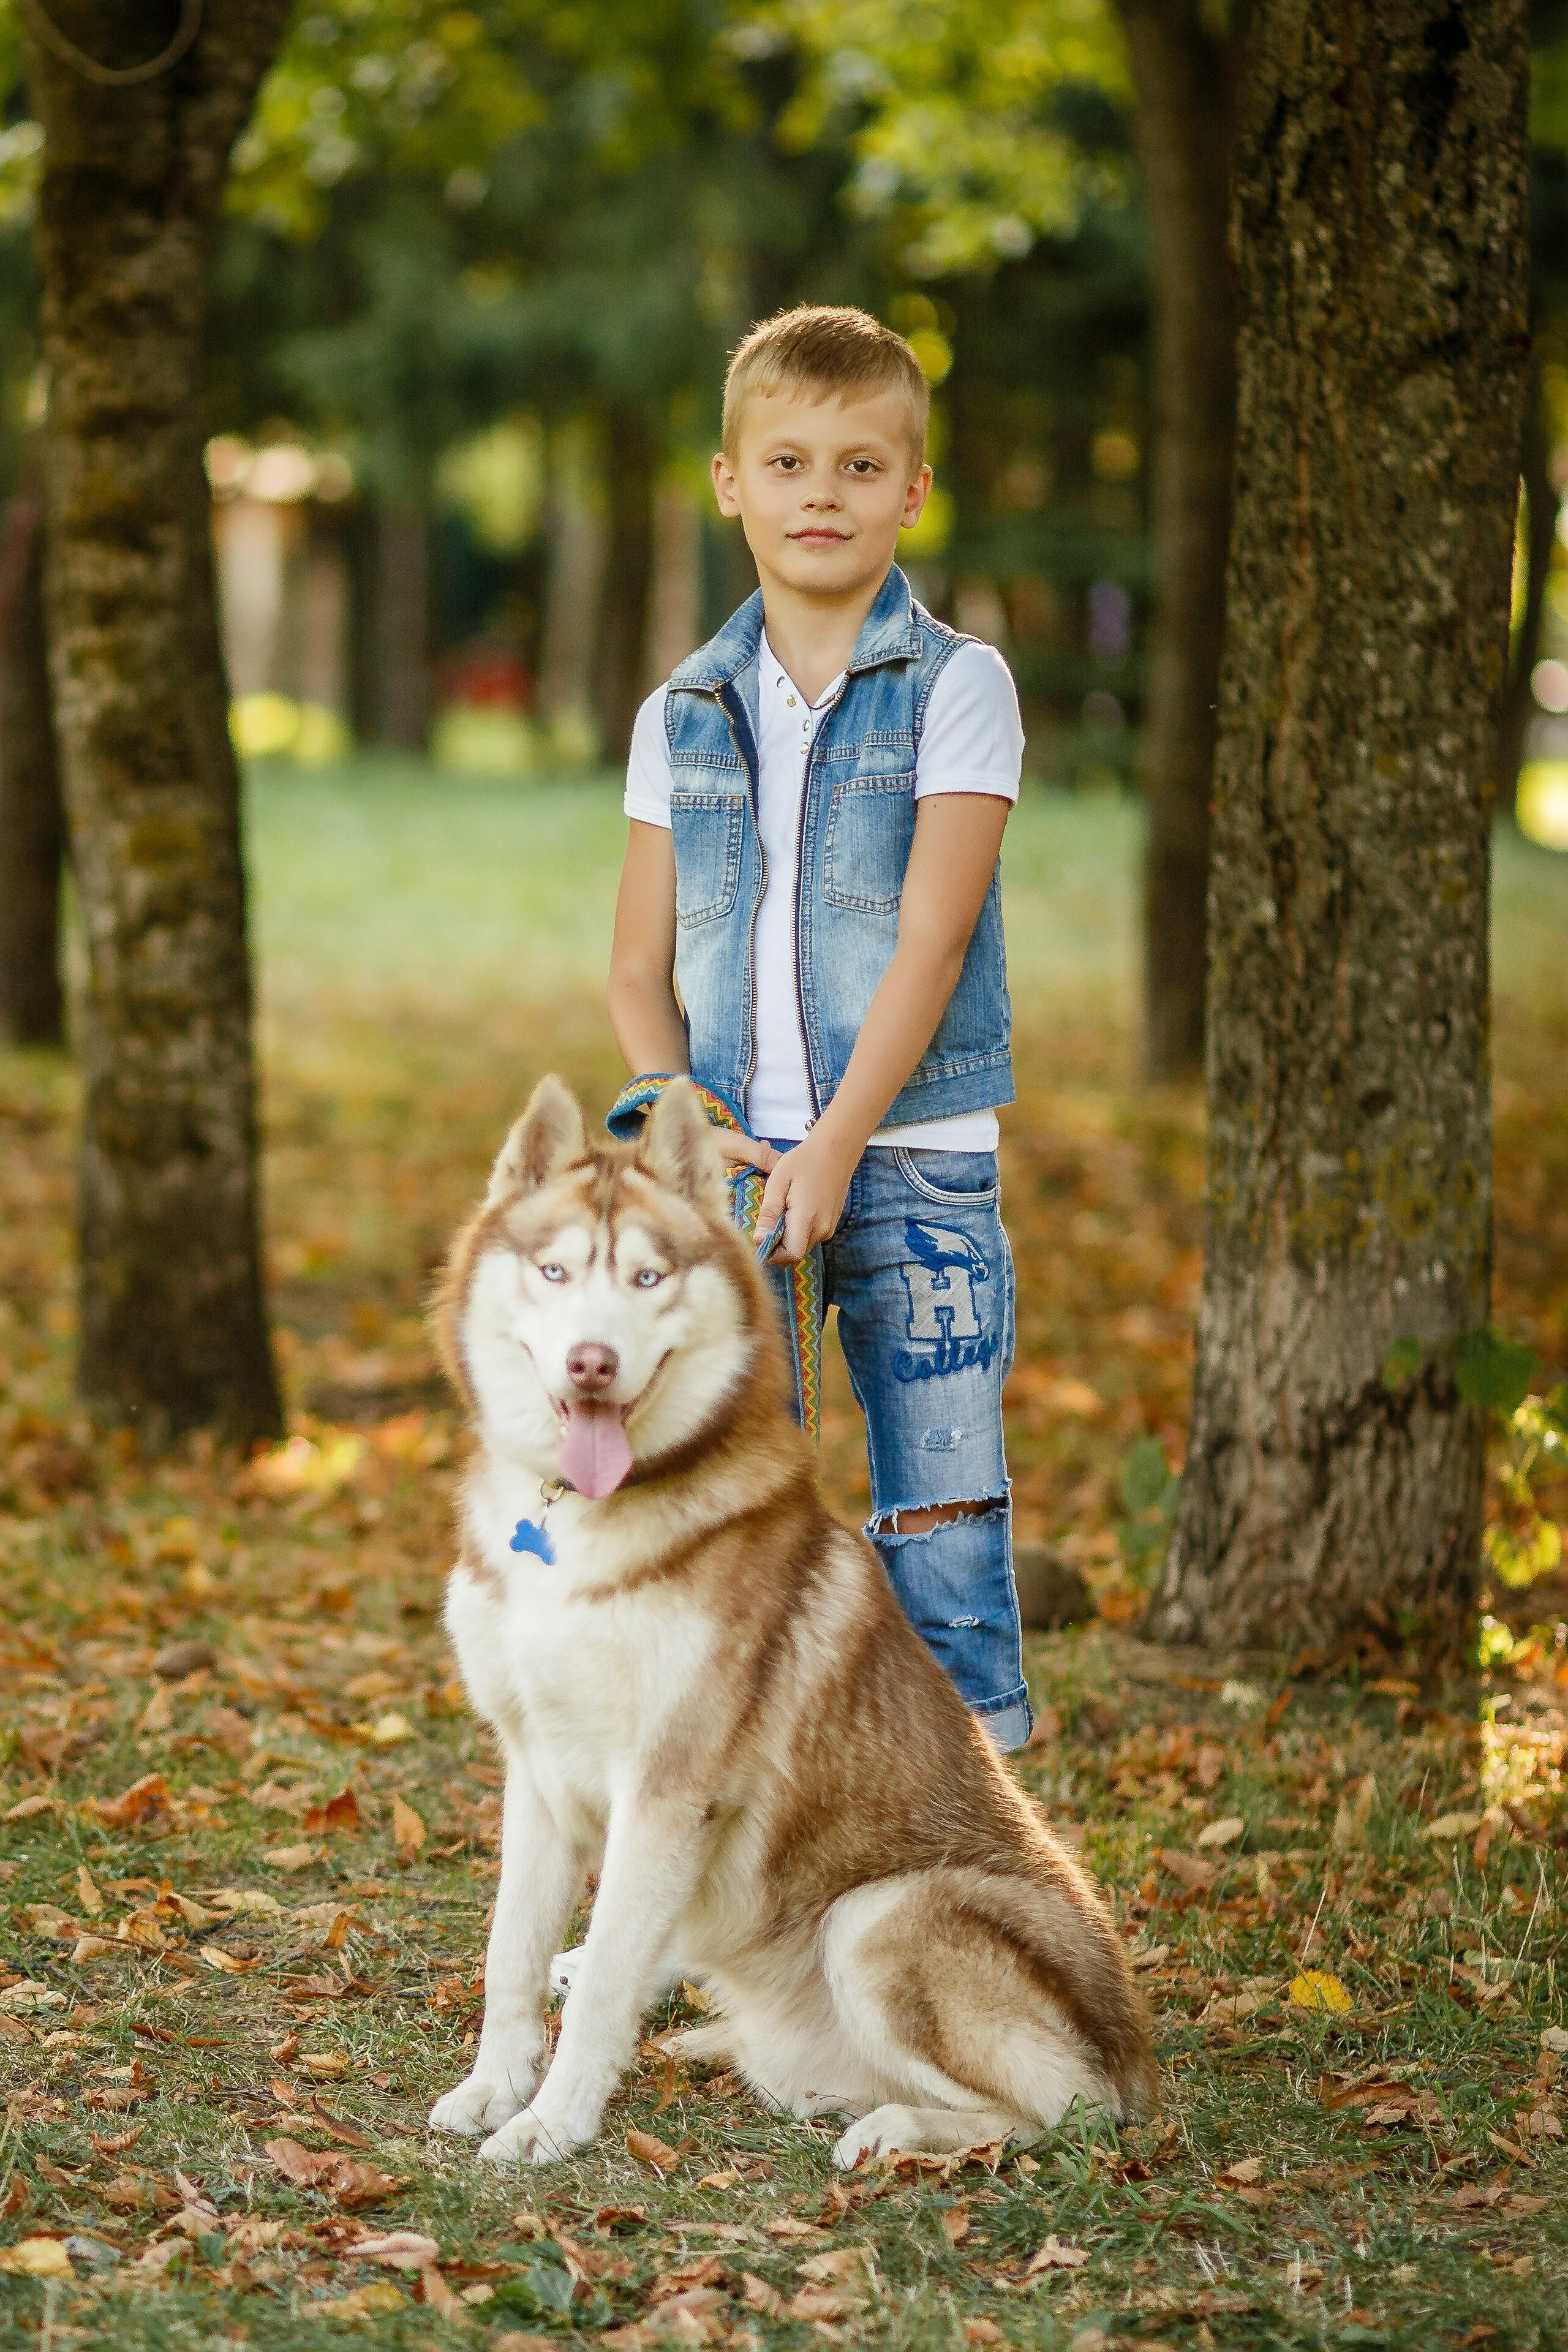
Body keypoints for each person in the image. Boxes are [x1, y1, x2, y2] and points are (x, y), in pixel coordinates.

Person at [606, 304, 1031, 1751]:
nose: (820, 496)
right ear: (729, 481)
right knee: (721, 1540)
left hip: (912, 1164)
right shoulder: (682, 709)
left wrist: (840, 1140)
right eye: (785, 463)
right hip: (732, 1177)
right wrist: (685, 1115)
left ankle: (976, 1873)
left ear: (911, 491)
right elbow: (631, 970)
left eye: (859, 467)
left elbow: (932, 936)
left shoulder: (957, 686)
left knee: (944, 1527)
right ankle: (708, 1873)